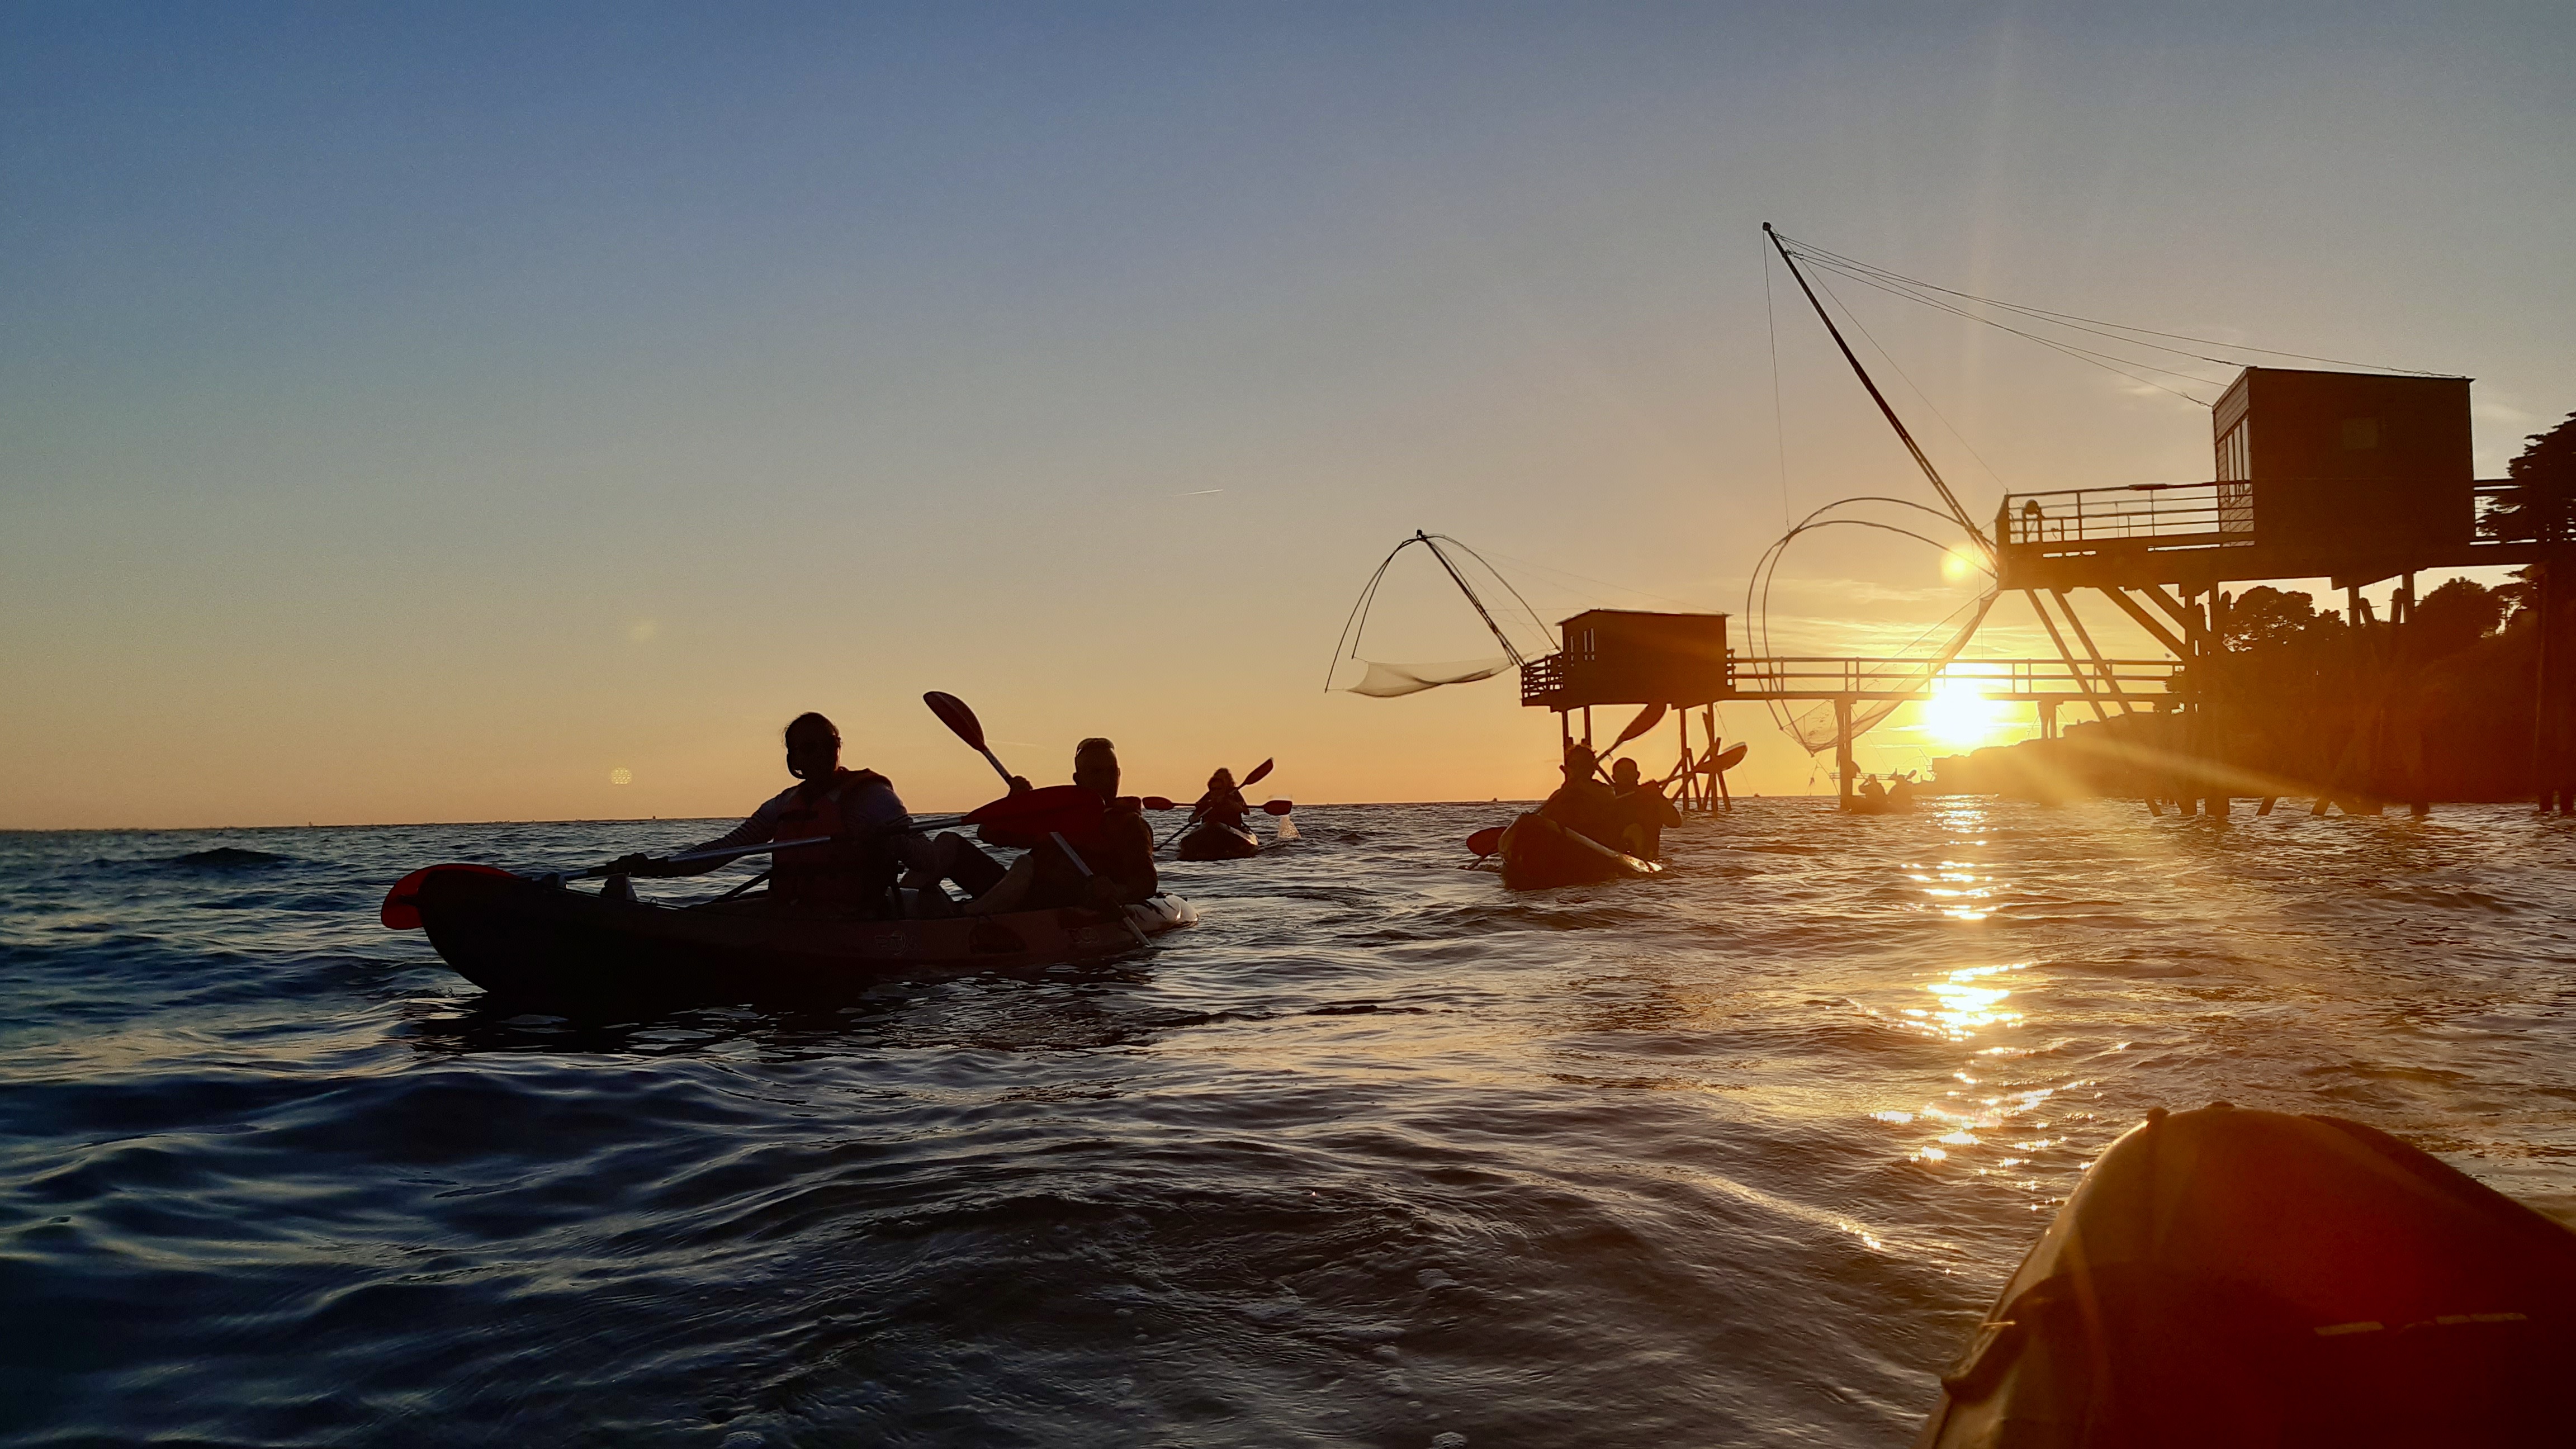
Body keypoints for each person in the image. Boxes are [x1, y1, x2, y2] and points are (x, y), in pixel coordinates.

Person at [610, 712, 921, 914]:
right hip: (792, 911)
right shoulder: (783, 804)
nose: (814, 755)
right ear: (792, 757)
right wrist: (654, 869)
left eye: (822, 746)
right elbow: (726, 849)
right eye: (803, 748)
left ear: (837, 747)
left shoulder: (871, 798)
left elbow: (923, 860)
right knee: (699, 915)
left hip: (854, 915)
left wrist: (889, 841)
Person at [965, 737, 1158, 916]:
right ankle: (945, 911)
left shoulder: (1130, 825)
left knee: (1025, 865)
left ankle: (967, 916)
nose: (1107, 779)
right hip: (1025, 893)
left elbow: (1146, 882)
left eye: (1111, 771)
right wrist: (1014, 805)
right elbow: (988, 833)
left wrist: (1118, 891)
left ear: (1119, 774)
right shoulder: (1056, 815)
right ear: (1078, 779)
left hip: (1069, 901)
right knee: (949, 843)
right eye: (1096, 772)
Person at [1540, 743, 1623, 848]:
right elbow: (1544, 818)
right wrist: (1568, 787)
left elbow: (1609, 799)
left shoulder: (1603, 790)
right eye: (1574, 765)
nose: (1578, 768)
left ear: (1592, 769)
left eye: (1582, 764)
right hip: (1568, 845)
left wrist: (1579, 784)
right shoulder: (1560, 794)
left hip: (1596, 845)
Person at [1609, 757, 1682, 860]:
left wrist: (1658, 796)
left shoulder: (1651, 797)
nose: (1625, 774)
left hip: (1646, 855)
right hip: (1617, 851)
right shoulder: (1607, 797)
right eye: (1620, 771)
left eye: (1629, 770)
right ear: (1614, 777)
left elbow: (1675, 823)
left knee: (1635, 829)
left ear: (1638, 775)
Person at [1195, 767, 1251, 831]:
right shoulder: (1210, 794)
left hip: (1232, 826)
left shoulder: (1235, 792)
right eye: (1218, 777)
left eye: (1223, 778)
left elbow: (1246, 812)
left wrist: (1230, 803)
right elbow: (1198, 807)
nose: (1220, 779)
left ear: (1228, 779)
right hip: (1210, 827)